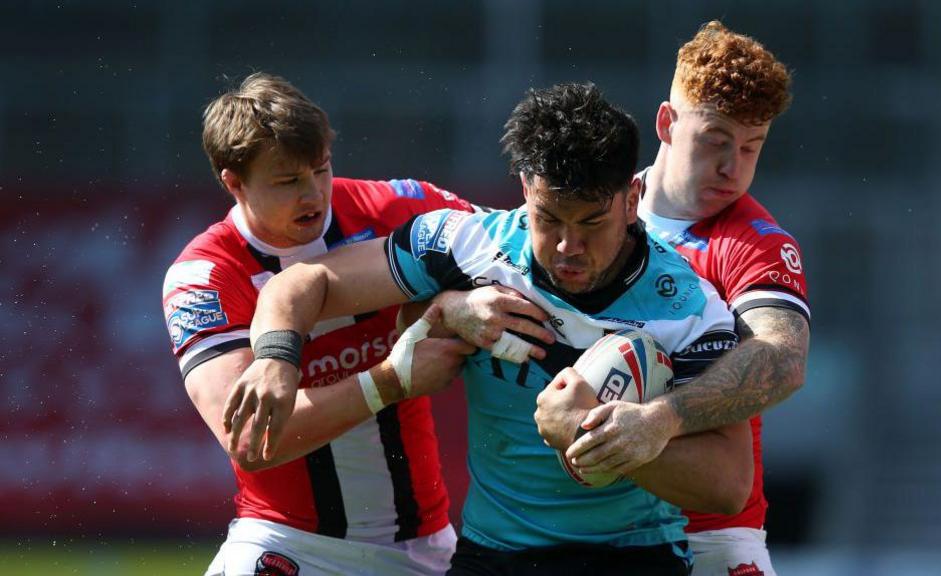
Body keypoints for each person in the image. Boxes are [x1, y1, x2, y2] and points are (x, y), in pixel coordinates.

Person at [225, 82, 754, 575]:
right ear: (525, 189)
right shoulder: (469, 245)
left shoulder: (687, 309)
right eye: (549, 218)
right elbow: (304, 282)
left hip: (636, 556)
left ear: (632, 200)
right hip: (492, 557)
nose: (568, 247)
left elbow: (728, 484)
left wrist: (594, 434)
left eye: (591, 222)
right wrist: (275, 357)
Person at [160, 72, 530, 576]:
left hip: (425, 549)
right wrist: (390, 381)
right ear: (234, 182)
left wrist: (456, 301)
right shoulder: (204, 276)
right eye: (288, 181)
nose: (313, 194)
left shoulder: (397, 210)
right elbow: (251, 441)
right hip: (287, 545)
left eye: (321, 169)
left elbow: (520, 252)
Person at [536, 21, 811, 576]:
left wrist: (660, 421)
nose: (732, 167)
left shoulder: (754, 244)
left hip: (707, 542)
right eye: (715, 141)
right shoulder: (594, 212)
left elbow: (783, 359)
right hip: (579, 535)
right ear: (667, 123)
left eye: (751, 147)